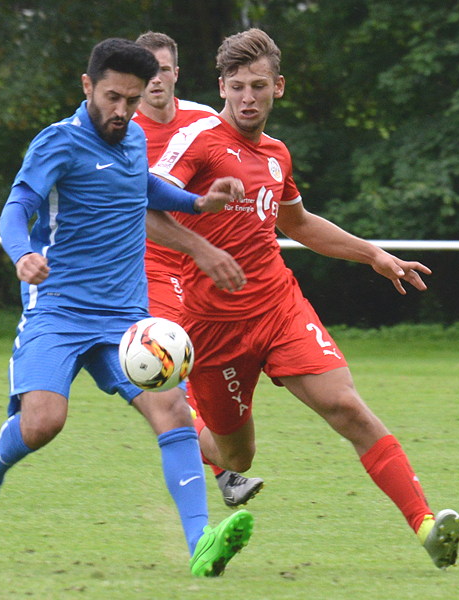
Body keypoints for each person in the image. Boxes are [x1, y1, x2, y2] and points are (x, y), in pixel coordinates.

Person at [151, 28, 459, 569]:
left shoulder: (276, 155)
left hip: (278, 309)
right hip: (214, 328)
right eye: (237, 86)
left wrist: (372, 254)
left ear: (278, 87)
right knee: (236, 456)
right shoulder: (198, 142)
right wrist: (200, 247)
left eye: (258, 86)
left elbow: (296, 223)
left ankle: (427, 526)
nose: (248, 98)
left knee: (347, 407)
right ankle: (186, 423)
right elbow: (142, 203)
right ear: (221, 87)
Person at [0, 37, 255, 578]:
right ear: (88, 86)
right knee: (43, 422)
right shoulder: (58, 142)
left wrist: (197, 202)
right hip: (59, 309)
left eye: (132, 100)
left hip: (125, 317)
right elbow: (16, 207)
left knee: (171, 410)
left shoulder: (133, 137)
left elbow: (143, 189)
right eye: (112, 97)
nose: (122, 111)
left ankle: (200, 543)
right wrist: (22, 254)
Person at [133, 30, 264, 508]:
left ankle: (225, 461)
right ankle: (226, 473)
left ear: (177, 74)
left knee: (202, 367)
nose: (156, 80)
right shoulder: (120, 128)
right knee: (174, 363)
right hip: (147, 263)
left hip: (199, 265)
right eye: (147, 72)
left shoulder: (203, 120)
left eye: (164, 70)